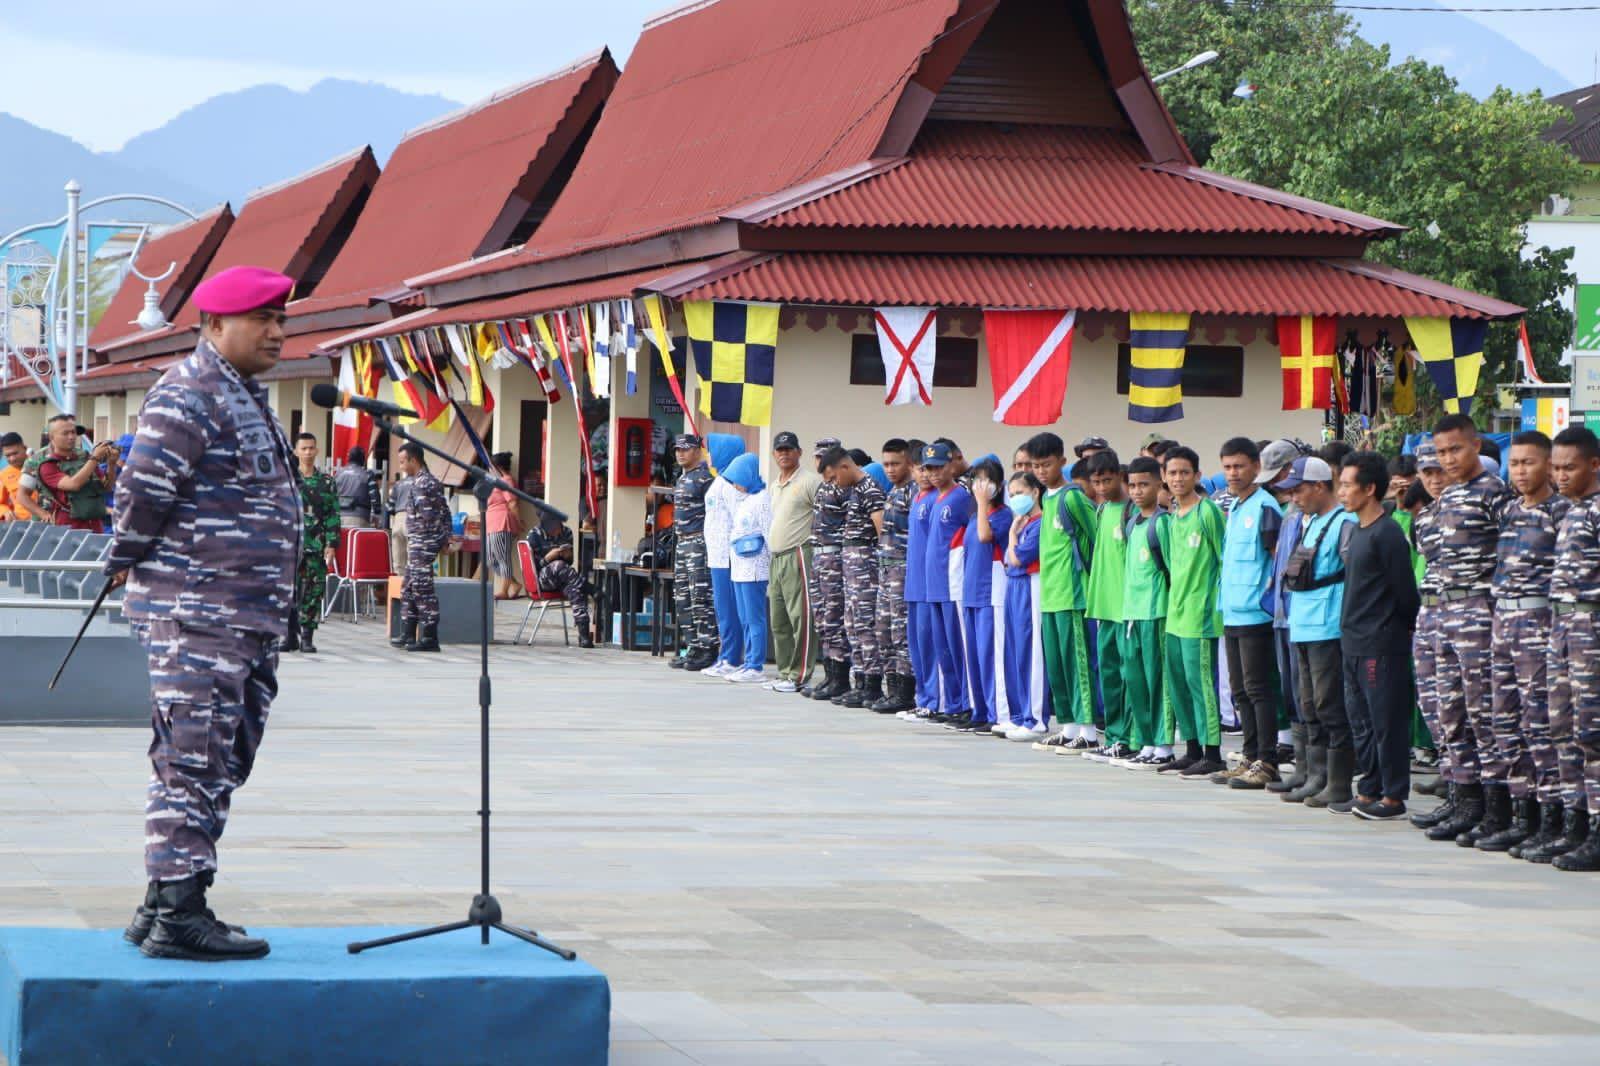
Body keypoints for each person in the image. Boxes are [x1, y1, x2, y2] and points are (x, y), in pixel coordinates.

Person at [107, 264, 299, 962]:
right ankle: (180, 913)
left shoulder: (239, 393)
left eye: (281, 320)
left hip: (242, 615)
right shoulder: (189, 393)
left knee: (218, 755)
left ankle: (162, 900)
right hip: (198, 610)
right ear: (215, 325)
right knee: (192, 757)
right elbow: (142, 491)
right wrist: (124, 557)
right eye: (262, 320)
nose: (276, 333)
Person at [1421, 414, 1511, 844]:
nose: (1448, 459)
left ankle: (1496, 810)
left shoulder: (1494, 493)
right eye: (1441, 452)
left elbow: (1512, 555)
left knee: (1483, 713)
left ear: (1476, 446)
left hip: (1479, 612)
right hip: (1444, 614)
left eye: (1455, 449)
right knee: (1449, 713)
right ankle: (1463, 800)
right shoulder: (1448, 496)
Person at [1478, 432, 1568, 850]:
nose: (1519, 471)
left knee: (1540, 722)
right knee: (1505, 720)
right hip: (1504, 621)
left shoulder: (1562, 512)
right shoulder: (1510, 510)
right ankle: (1522, 812)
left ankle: (1552, 818)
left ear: (1548, 466)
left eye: (1528, 463)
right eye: (1514, 463)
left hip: (1539, 622)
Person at [1337, 451, 1422, 820]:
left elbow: (1406, 594)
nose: (1341, 492)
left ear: (1369, 488)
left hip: (1381, 643)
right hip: (1353, 640)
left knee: (1386, 721)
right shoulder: (1358, 529)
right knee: (1362, 722)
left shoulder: (1388, 534)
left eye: (1347, 485)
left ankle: (1393, 796)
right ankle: (1369, 789)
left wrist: (1392, 629)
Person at [1533, 426, 1600, 868]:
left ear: (1594, 465)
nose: (1559, 476)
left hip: (1591, 628)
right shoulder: (1570, 510)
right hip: (1563, 626)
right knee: (1562, 727)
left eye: (1569, 468)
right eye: (1555, 468)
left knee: (1593, 732)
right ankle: (1575, 824)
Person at [1279, 456, 1357, 808]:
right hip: (1303, 624)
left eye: (1299, 490)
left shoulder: (1344, 523)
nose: (1294, 498)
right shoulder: (1310, 522)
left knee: (1330, 705)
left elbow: (1354, 574)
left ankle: (1337, 783)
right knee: (1307, 703)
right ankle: (1314, 775)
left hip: (1328, 625)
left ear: (1320, 486)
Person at [1214, 438, 1286, 788]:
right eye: (1227, 467)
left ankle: (1267, 761)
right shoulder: (1237, 507)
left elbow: (1277, 559)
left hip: (1257, 613)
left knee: (1259, 689)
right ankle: (1249, 755)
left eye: (1239, 466)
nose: (1233, 473)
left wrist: (1270, 603)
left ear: (1257, 467)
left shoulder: (1265, 507)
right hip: (1232, 611)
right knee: (1240, 690)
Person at [1027, 432, 1098, 751]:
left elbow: (1096, 538)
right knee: (1057, 664)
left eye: (1047, 464)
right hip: (1051, 593)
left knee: (1077, 663)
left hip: (1072, 593)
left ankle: (1089, 731)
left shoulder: (1073, 498)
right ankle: (1069, 727)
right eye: (1036, 466)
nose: (1041, 471)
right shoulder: (1046, 498)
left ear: (1062, 462)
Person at [1120, 456, 1173, 768]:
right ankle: (1146, 741)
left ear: (1158, 484)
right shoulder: (1131, 523)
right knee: (1136, 681)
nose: (1137, 491)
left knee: (1157, 681)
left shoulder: (1162, 523)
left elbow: (1171, 570)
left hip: (1156, 613)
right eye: (1133, 485)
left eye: (1144, 484)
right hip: (1131, 613)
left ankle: (1164, 744)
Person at [822, 447, 886, 708]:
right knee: (852, 624)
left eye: (834, 477)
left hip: (864, 565)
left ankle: (871, 684)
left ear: (845, 467)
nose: (834, 483)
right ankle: (860, 681)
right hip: (852, 565)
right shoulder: (855, 490)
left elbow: (881, 532)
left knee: (865, 624)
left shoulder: (870, 489)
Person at [1084, 451, 1135, 761]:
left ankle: (1129, 737)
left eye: (1107, 480)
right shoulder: (1101, 510)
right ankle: (1114, 735)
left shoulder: (1132, 511)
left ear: (1119, 476)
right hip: (1103, 607)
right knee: (1109, 676)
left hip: (1126, 609)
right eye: (1096, 482)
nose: (1102, 487)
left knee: (1129, 677)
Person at [921, 442, 974, 721]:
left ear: (952, 465)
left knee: (959, 647)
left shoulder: (961, 497)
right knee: (943, 649)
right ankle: (953, 704)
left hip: (952, 582)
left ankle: (967, 703)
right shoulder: (935, 499)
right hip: (934, 584)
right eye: (929, 468)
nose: (934, 473)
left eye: (939, 467)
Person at [766, 431, 821, 693]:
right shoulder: (775, 485)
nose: (784, 453)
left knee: (801, 617)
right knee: (779, 620)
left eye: (789, 449)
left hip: (798, 553)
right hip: (776, 558)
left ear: (799, 452)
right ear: (774, 454)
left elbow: (824, 516)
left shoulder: (809, 481)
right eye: (780, 450)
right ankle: (785, 672)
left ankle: (800, 675)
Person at [960, 457, 1011, 732]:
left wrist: (981, 504)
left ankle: (997, 713)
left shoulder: (1002, 515)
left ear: (998, 486)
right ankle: (979, 710)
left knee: (991, 655)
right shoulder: (973, 517)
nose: (980, 486)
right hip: (971, 593)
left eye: (987, 480)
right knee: (975, 656)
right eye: (976, 480)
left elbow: (984, 537)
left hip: (990, 593)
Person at [1001, 470, 1048, 740]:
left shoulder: (1039, 524)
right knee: (1016, 650)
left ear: (1035, 492)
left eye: (1020, 492)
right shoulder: (1024, 524)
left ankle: (1036, 718)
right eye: (1012, 494)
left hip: (1031, 583)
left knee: (1032, 652)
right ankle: (1019, 715)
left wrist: (1011, 535)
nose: (1015, 498)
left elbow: (1018, 558)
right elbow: (1009, 560)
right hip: (1015, 585)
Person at [871, 439, 917, 713]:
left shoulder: (913, 491)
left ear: (909, 463)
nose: (889, 469)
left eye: (895, 464)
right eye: (886, 464)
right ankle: (892, 689)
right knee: (883, 630)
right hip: (886, 569)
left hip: (903, 568)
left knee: (901, 632)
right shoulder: (893, 491)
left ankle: (905, 692)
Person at [699, 435, 749, 679]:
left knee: (729, 609)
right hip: (717, 556)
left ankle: (731, 658)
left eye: (711, 450)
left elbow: (740, 517)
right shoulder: (721, 479)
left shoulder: (731, 483)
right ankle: (725, 655)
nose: (707, 455)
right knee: (722, 609)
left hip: (728, 556)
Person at [392, 443, 450, 654]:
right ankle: (408, 633)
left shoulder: (424, 484)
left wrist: (438, 541)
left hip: (423, 542)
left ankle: (429, 637)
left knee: (422, 589)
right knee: (408, 587)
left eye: (402, 462)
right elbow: (445, 511)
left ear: (413, 460)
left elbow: (430, 518)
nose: (401, 466)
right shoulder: (422, 481)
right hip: (418, 541)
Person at [286, 433, 339, 654]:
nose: (308, 452)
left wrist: (332, 544)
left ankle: (307, 636)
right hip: (291, 545)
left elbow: (333, 514)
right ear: (296, 451)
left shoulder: (326, 482)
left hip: (316, 546)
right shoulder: (287, 479)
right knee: (288, 591)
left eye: (311, 448)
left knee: (314, 591)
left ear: (317, 450)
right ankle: (289, 635)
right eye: (304, 448)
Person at [807, 437, 852, 699]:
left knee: (835, 619)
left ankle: (840, 679)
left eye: (825, 458)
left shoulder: (843, 488)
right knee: (822, 619)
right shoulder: (823, 487)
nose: (821, 463)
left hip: (834, 558)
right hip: (819, 557)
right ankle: (829, 674)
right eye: (817, 457)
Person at [669, 433, 717, 671]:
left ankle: (708, 647)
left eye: (685, 449)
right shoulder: (683, 477)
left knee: (700, 597)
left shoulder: (706, 478)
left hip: (698, 542)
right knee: (682, 598)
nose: (680, 453)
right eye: (677, 449)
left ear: (698, 451)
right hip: (682, 542)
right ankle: (693, 647)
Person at [723, 452, 772, 683]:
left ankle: (756, 665)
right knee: (744, 617)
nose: (735, 485)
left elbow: (769, 533)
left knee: (754, 618)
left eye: (738, 479)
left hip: (754, 568)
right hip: (739, 568)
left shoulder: (762, 499)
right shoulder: (746, 499)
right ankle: (748, 660)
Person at [36, 412, 117, 531]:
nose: (71, 437)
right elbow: (73, 485)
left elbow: (107, 487)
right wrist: (95, 458)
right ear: (51, 437)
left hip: (95, 525)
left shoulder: (85, 459)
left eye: (73, 432)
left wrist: (111, 464)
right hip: (69, 528)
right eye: (65, 433)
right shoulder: (48, 465)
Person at [525, 512, 594, 649]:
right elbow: (533, 568)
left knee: (575, 590)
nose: (557, 531)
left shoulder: (567, 533)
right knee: (558, 565)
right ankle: (590, 588)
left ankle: (584, 636)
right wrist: (548, 558)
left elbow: (570, 562)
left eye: (558, 527)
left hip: (564, 578)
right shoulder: (534, 535)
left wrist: (568, 556)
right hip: (542, 580)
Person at [905, 450, 940, 717]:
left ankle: (934, 699)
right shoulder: (916, 498)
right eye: (921, 468)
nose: (925, 474)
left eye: (929, 469)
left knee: (930, 646)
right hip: (913, 584)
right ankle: (922, 698)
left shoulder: (936, 499)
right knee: (916, 646)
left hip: (929, 585)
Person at [483, 452, 525, 601]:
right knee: (490, 559)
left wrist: (519, 523)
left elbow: (513, 503)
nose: (489, 469)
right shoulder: (497, 481)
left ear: (498, 467)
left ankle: (504, 590)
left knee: (502, 558)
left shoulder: (507, 480)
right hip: (492, 524)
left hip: (502, 523)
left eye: (491, 467)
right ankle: (514, 584)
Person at [334, 446, 382, 529]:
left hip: (339, 517)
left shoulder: (338, 473)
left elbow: (331, 494)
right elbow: (374, 496)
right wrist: (376, 514)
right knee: (357, 537)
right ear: (363, 459)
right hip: (359, 517)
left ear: (349, 458)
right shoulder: (367, 474)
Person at [0, 432, 37, 520]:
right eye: (8, 455)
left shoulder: (40, 465)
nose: (12, 458)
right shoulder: (4, 474)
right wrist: (5, 512)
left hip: (47, 519)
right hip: (21, 524)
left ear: (25, 448)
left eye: (15, 453)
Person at [387, 466, 414, 575]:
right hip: (413, 519)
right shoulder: (421, 483)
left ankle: (398, 584)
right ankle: (411, 584)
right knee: (412, 560)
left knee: (398, 563)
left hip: (398, 520)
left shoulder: (398, 484)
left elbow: (389, 506)